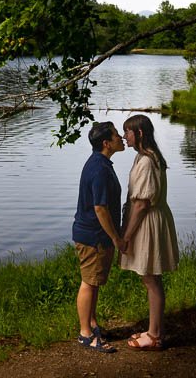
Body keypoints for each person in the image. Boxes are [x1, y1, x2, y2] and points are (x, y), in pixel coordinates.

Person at [119, 114, 180, 351]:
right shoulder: (146, 157)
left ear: (140, 133)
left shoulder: (146, 161)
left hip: (147, 222)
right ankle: (155, 330)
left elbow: (142, 204)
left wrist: (126, 236)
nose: (125, 137)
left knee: (150, 278)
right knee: (151, 278)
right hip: (151, 218)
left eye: (128, 132)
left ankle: (154, 336)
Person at [72, 121, 126, 353]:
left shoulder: (100, 163)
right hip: (93, 236)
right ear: (106, 143)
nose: (121, 137)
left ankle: (92, 325)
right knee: (89, 282)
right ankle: (85, 334)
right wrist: (116, 237)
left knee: (94, 283)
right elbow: (100, 208)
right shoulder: (100, 169)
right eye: (116, 135)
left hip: (94, 235)